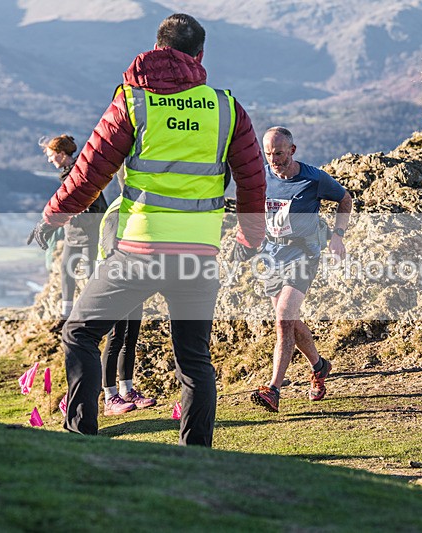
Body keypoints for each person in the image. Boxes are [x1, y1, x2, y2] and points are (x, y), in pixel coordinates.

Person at [27, 13, 266, 446]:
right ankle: (196, 455)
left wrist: (53, 216)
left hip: (139, 251)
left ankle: (81, 437)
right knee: (194, 360)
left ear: (158, 48)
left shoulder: (133, 101)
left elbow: (89, 172)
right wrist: (251, 238)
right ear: (200, 56)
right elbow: (253, 179)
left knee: (79, 333)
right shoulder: (228, 108)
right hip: (199, 256)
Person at [249, 127, 351, 413]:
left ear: (292, 150)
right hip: (272, 255)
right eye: (268, 154)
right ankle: (319, 366)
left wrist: (338, 236)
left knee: (283, 320)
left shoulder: (313, 178)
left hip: (304, 254)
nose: (274, 160)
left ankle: (273, 389)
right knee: (290, 322)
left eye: (279, 154)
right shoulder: (263, 176)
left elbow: (346, 199)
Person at [40, 134, 108, 330]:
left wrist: (66, 218)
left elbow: (94, 205)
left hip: (89, 231)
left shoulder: (79, 172)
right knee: (66, 271)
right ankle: (66, 314)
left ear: (61, 154)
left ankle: (92, 314)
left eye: (51, 155)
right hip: (74, 233)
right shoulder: (68, 173)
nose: (49, 159)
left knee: (90, 273)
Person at [97, 193, 155, 415]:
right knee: (115, 338)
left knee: (131, 337)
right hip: (115, 283)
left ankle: (127, 390)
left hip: (134, 281)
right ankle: (110, 397)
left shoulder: (135, 211)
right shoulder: (117, 212)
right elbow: (111, 252)